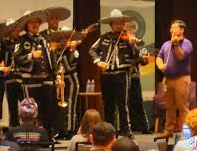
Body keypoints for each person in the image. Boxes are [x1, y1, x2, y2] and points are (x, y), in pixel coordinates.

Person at [89, 9, 141, 138]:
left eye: (121, 23)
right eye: (116, 23)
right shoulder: (104, 37)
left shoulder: (128, 38)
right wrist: (98, 61)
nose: (119, 25)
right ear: (111, 25)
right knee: (108, 104)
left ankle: (126, 130)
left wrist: (132, 44)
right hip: (106, 75)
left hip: (122, 74)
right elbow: (92, 50)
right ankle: (109, 131)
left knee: (123, 104)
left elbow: (136, 56)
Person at [14, 10, 56, 136]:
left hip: (47, 79)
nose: (35, 24)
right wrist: (31, 56)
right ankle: (30, 135)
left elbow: (52, 57)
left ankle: (48, 136)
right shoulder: (21, 40)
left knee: (48, 109)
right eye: (31, 22)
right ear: (27, 25)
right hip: (30, 80)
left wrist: (56, 72)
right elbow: (16, 59)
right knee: (30, 110)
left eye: (37, 22)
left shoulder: (45, 39)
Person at [156, 20, 193, 138]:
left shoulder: (187, 43)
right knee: (169, 107)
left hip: (181, 79)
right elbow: (159, 57)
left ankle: (186, 134)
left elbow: (181, 56)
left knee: (182, 107)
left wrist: (176, 44)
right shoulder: (166, 44)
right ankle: (168, 131)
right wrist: (160, 65)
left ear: (182, 30)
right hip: (168, 79)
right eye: (171, 28)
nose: (172, 30)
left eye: (175, 27)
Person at [49, 26, 83, 138]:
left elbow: (68, 67)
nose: (64, 40)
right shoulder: (54, 51)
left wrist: (71, 51)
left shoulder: (74, 51)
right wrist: (54, 52)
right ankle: (60, 130)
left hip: (71, 79)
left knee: (70, 106)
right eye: (61, 38)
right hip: (59, 80)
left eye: (67, 38)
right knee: (58, 106)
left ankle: (70, 130)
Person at [0, 19, 24, 126]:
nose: (17, 32)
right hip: (1, 74)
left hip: (17, 76)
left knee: (23, 100)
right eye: (14, 30)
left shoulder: (21, 42)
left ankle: (24, 124)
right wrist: (0, 68)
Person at [124, 21, 151, 134]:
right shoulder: (120, 42)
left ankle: (143, 127)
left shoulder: (138, 43)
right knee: (124, 103)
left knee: (137, 102)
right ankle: (126, 127)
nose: (129, 31)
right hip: (122, 76)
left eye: (131, 29)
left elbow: (143, 60)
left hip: (134, 76)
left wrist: (144, 60)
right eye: (126, 30)